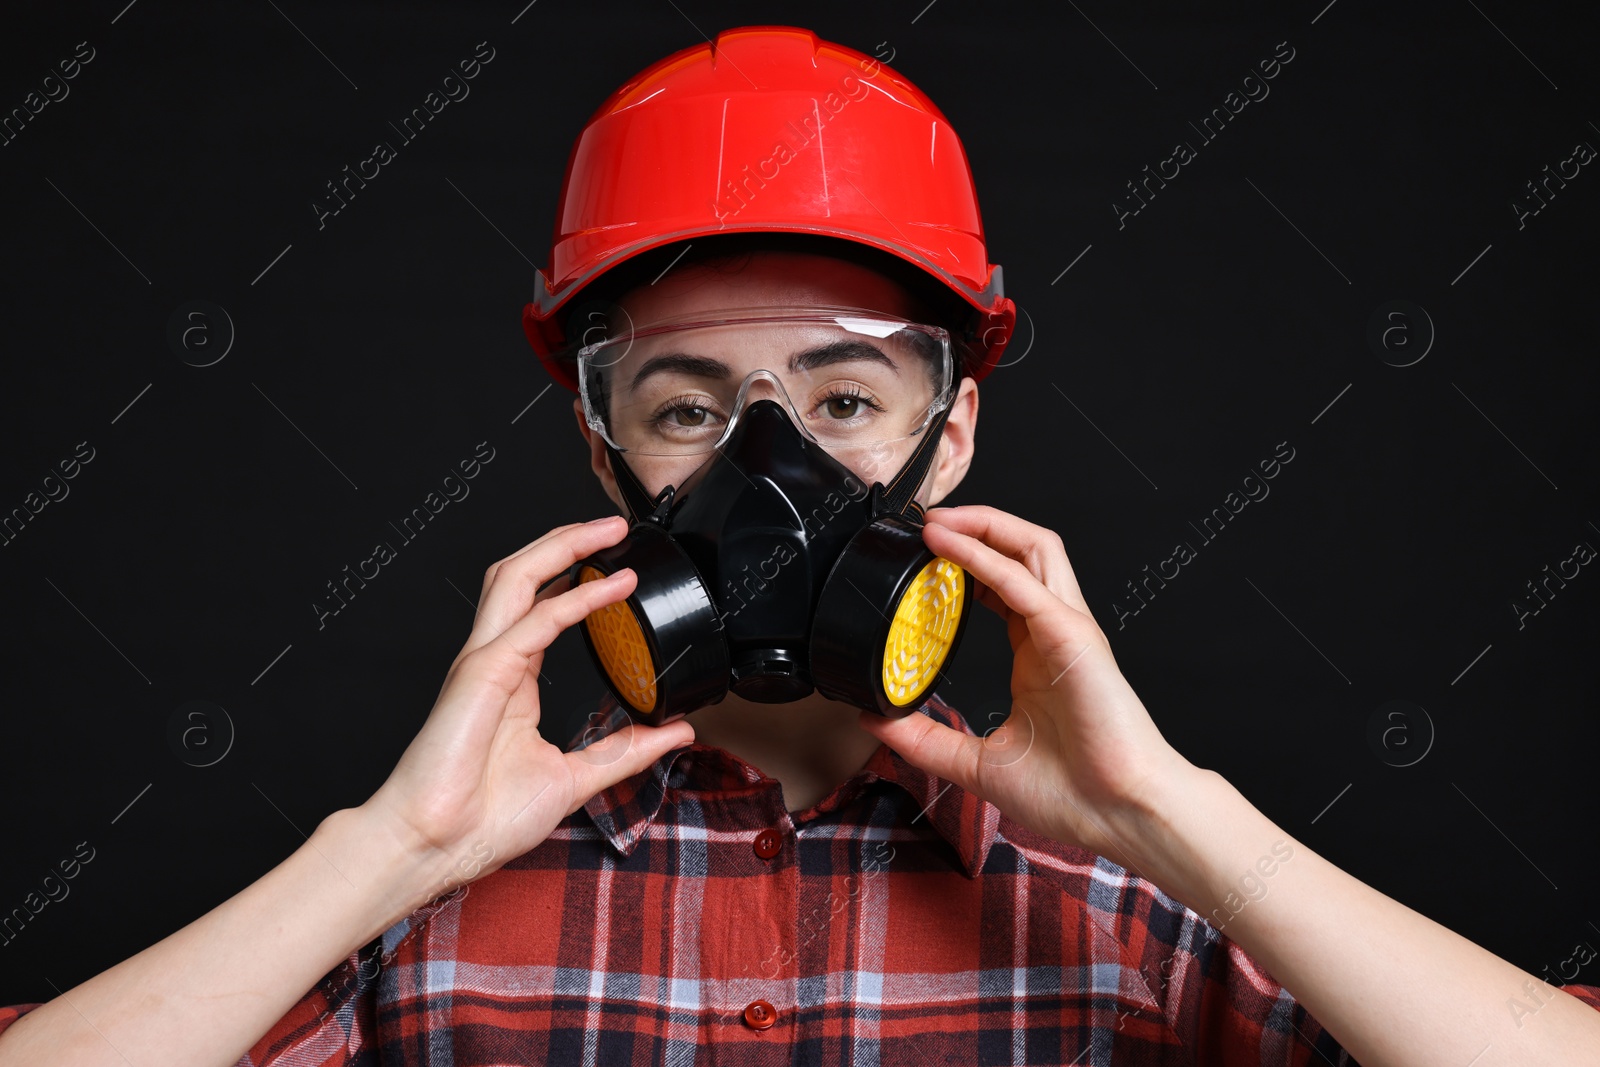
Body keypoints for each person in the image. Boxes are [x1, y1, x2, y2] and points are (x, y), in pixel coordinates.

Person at [2, 24, 1598, 1067]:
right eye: (688, 409)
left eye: (846, 394)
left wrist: (1174, 821)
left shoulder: (1134, 899)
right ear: (600, 442)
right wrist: (387, 855)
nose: (769, 464)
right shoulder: (420, 918)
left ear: (951, 433)